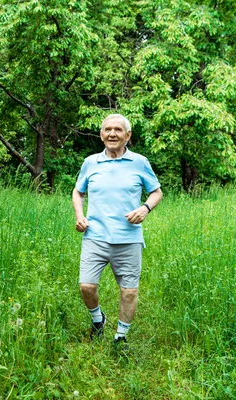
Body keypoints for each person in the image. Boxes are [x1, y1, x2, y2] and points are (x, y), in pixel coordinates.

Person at [72, 114, 162, 346]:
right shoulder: (90, 162)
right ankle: (98, 320)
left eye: (118, 130)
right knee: (86, 286)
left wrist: (145, 208)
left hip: (128, 239)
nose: (112, 134)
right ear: (101, 135)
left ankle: (120, 338)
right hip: (95, 236)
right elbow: (78, 192)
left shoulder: (140, 162)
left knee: (129, 292)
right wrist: (80, 215)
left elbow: (156, 192)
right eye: (107, 130)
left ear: (127, 135)